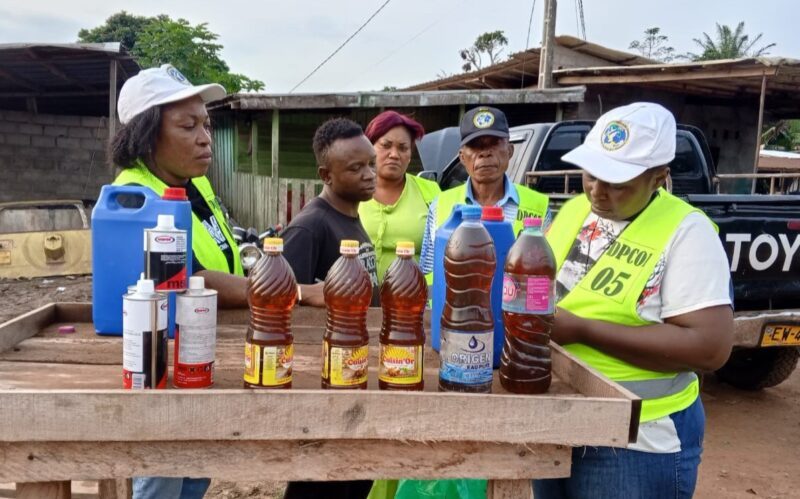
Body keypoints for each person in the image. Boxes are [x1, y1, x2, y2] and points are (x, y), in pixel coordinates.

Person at [534, 102, 733, 498]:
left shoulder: (687, 233)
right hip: (557, 418)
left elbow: (710, 348)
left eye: (617, 182)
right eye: (591, 174)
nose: (597, 190)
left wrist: (582, 330)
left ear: (659, 178)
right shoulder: (576, 211)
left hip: (637, 440)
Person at [113, 64, 324, 309]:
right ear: (145, 136)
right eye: (189, 126)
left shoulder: (196, 182)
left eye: (206, 125)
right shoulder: (133, 199)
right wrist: (297, 291)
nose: (205, 138)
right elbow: (189, 280)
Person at [280, 117, 379, 499]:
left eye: (370, 162)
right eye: (356, 168)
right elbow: (284, 307)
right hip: (325, 389)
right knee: (321, 484)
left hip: (353, 374)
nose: (370, 174)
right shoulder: (310, 227)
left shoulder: (351, 216)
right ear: (326, 173)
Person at [419, 106, 550, 277]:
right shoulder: (440, 205)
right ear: (462, 157)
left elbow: (545, 273)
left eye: (494, 144)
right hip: (455, 303)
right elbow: (428, 273)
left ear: (509, 151)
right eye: (475, 146)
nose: (485, 154)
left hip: (512, 302)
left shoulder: (538, 207)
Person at [358, 111, 440, 281]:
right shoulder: (352, 191)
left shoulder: (431, 193)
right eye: (386, 145)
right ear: (369, 148)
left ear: (410, 156)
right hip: (354, 301)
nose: (394, 154)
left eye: (403, 148)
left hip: (413, 302)